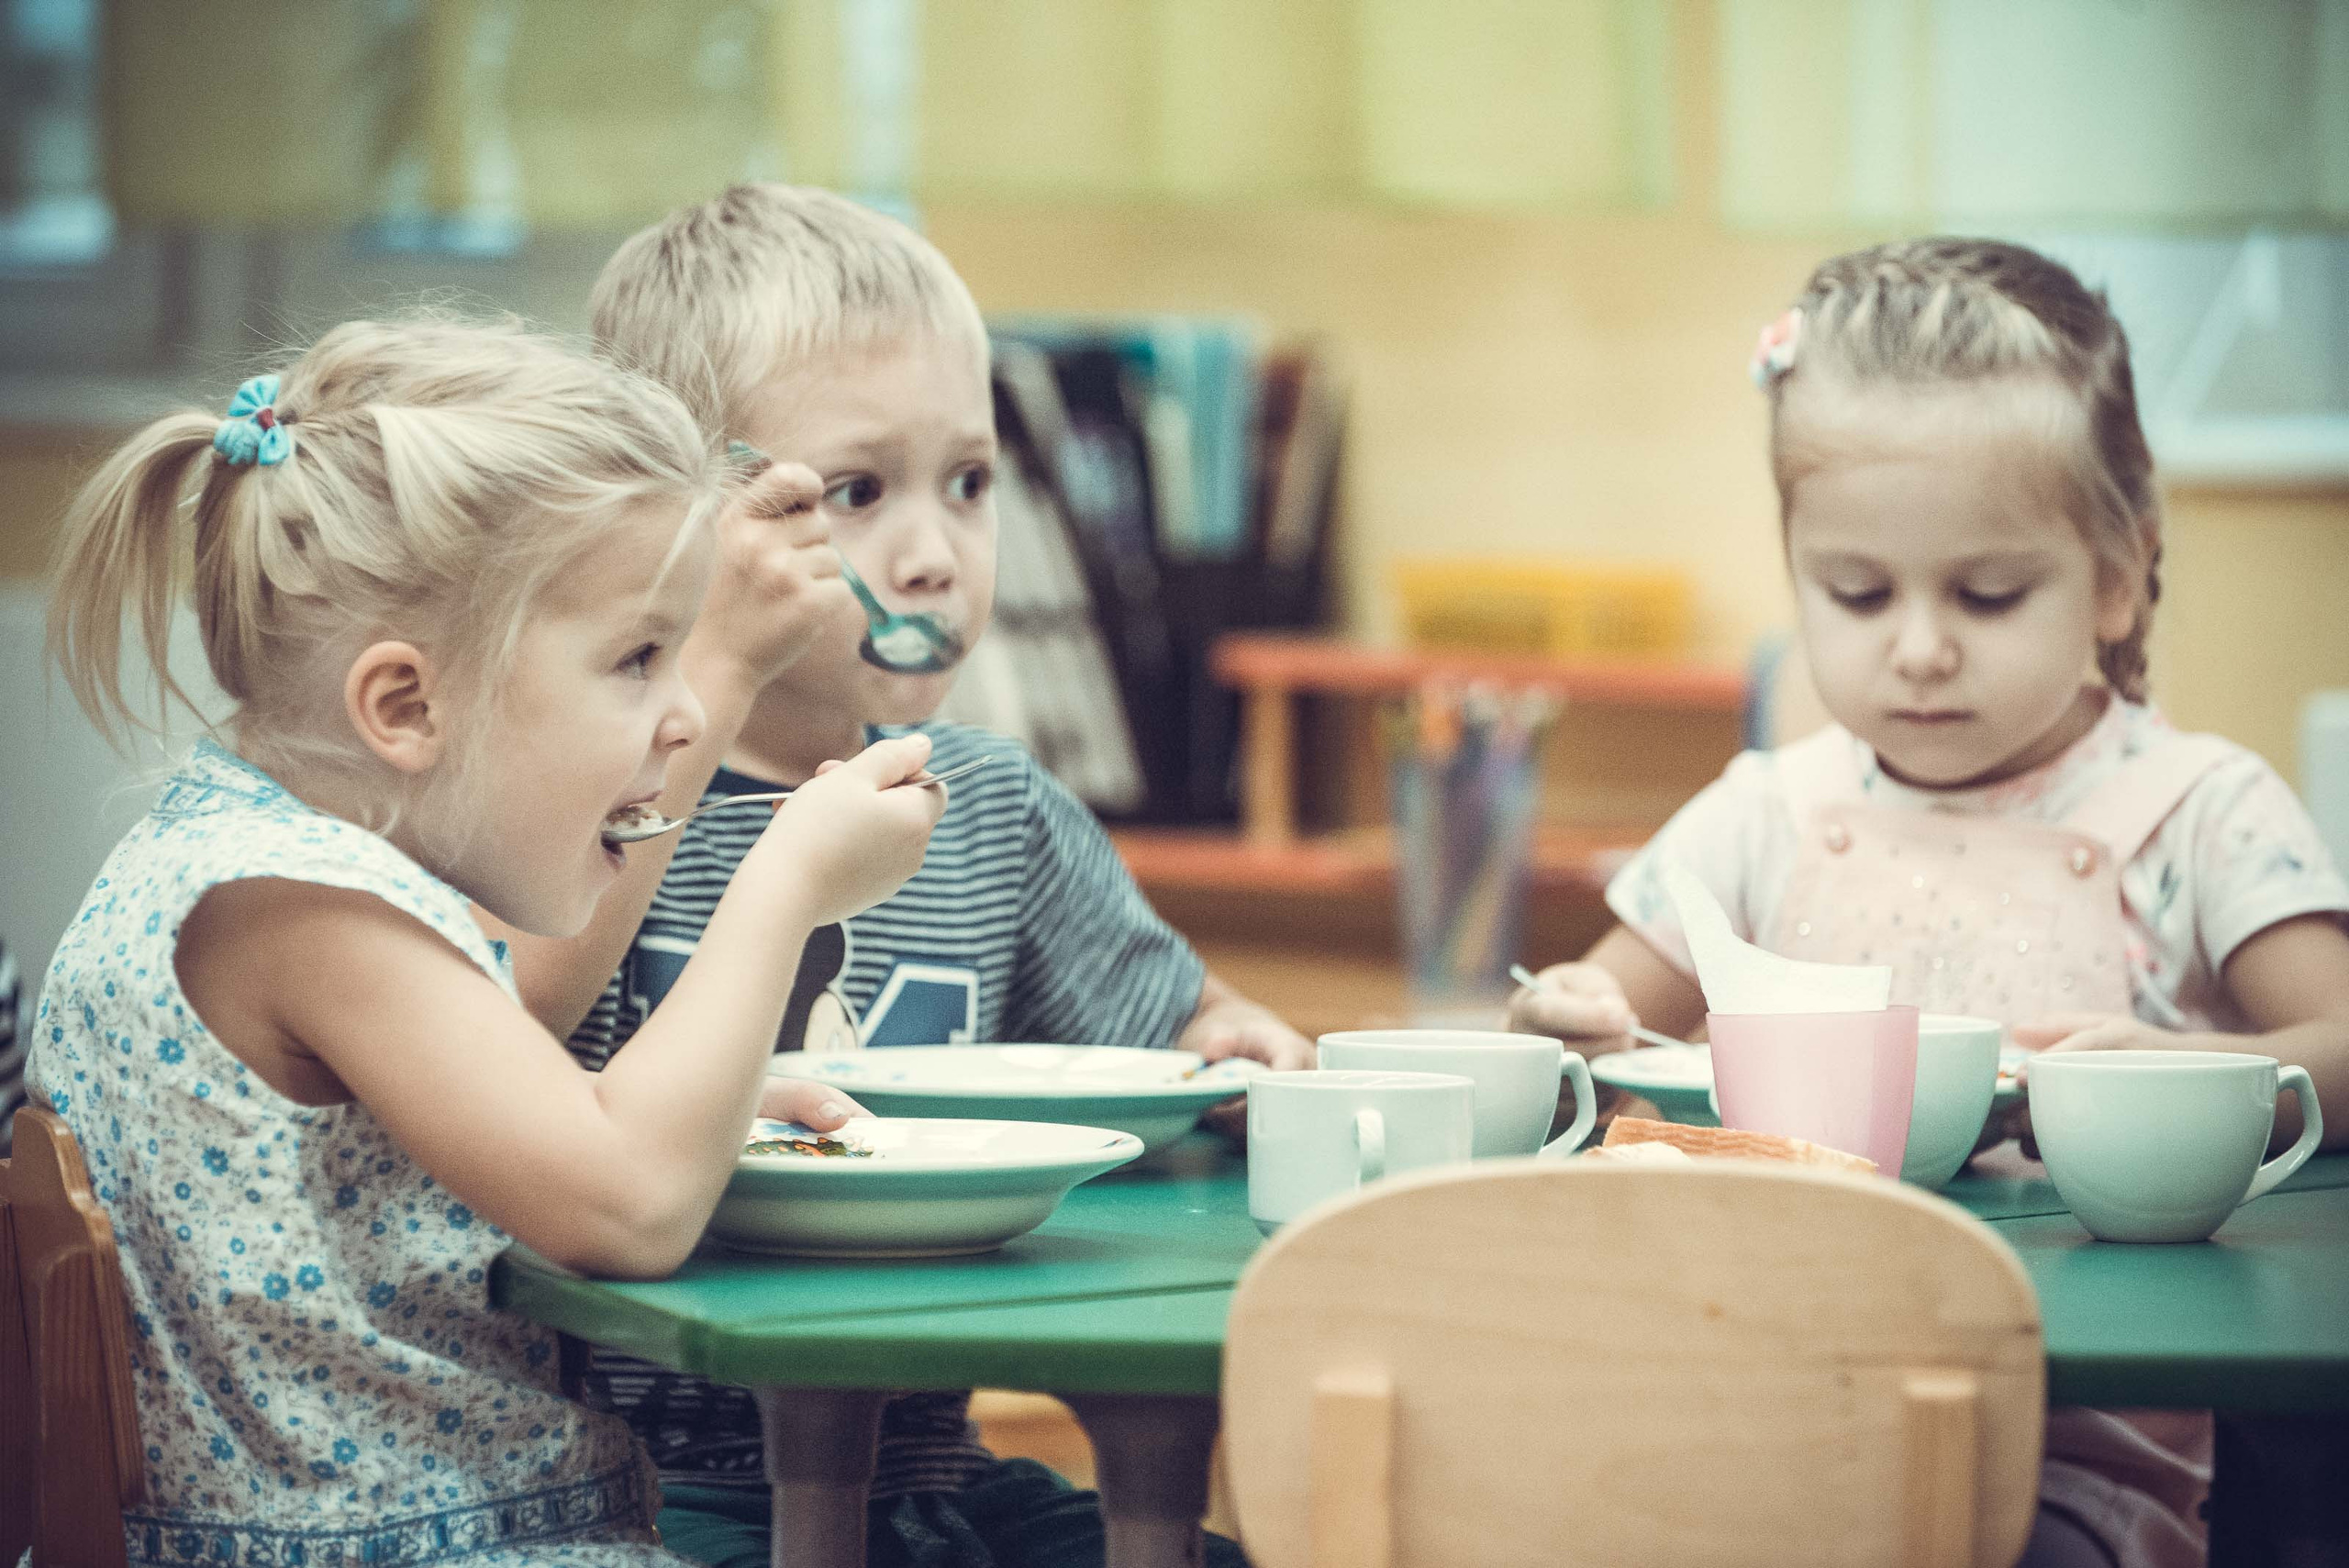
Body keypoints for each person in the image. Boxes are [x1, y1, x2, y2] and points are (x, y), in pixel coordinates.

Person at [28, 317, 941, 1564]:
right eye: (637, 657)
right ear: (406, 705)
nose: (687, 717)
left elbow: (390, 1159)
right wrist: (789, 880)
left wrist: (691, 1093)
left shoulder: (220, 854)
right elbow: (631, 1208)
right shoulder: (308, 903)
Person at [493, 183, 1301, 1568]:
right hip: (649, 1490)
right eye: (856, 493)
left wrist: (1231, 1046)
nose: (933, 555)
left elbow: (1179, 1030)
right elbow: (509, 1017)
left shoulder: (989, 809)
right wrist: (718, 666)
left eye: (971, 483)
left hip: (932, 1474)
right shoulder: (582, 794)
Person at [1509, 239, 2349, 1568]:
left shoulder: (2204, 811)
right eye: (1855, 591)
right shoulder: (1759, 816)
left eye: (1987, 592)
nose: (1917, 645)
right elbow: (1577, 1033)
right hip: (1754, 1424)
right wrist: (1570, 1017)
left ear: (2119, 575)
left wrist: (2200, 1070)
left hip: (2070, 1469)